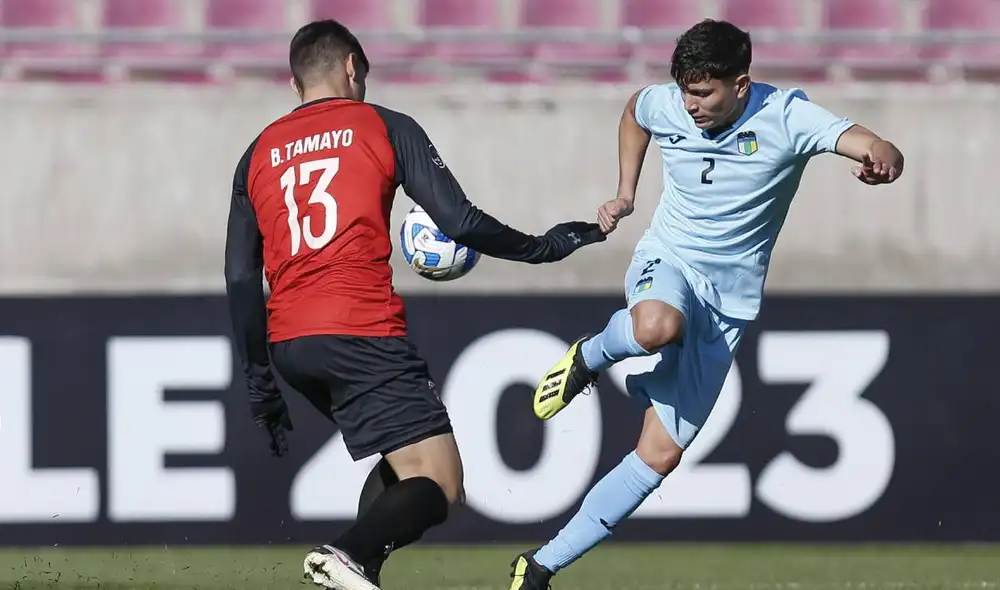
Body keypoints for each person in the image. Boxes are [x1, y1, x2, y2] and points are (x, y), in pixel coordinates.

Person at [508, 19, 904, 590]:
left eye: (703, 94)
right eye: (685, 92)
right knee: (655, 324)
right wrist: (626, 191)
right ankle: (591, 356)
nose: (689, 106)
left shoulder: (787, 116)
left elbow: (868, 141)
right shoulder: (669, 103)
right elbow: (635, 111)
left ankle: (541, 565)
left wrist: (886, 158)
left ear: (741, 85)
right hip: (668, 261)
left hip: (729, 308)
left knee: (659, 455)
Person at [223, 19, 605, 590]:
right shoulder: (383, 126)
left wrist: (260, 385)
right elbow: (461, 222)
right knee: (442, 482)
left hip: (291, 343)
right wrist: (546, 246)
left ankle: (358, 569)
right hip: (359, 328)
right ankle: (346, 555)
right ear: (353, 67)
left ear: (296, 81)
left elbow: (238, 275)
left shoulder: (256, 153)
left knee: (405, 463)